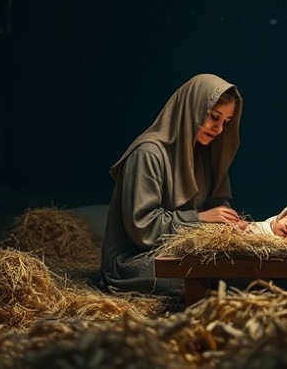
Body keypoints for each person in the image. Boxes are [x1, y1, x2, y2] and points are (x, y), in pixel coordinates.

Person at [100, 73, 245, 295]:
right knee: (191, 280)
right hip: (137, 259)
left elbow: (217, 202)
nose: (219, 129)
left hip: (186, 251)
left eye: (226, 122)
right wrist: (198, 219)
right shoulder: (148, 154)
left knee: (241, 267)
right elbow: (143, 228)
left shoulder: (205, 154)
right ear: (192, 109)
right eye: (214, 117)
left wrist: (228, 223)